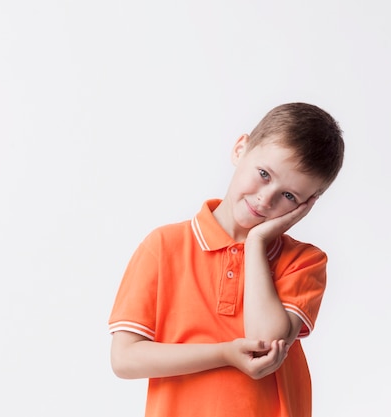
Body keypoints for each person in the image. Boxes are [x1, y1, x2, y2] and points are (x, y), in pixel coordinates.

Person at [108, 102, 344, 417]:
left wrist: (256, 242)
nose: (266, 198)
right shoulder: (164, 246)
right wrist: (224, 354)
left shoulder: (303, 262)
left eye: (289, 196)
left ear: (307, 205)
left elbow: (265, 342)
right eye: (263, 174)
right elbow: (124, 359)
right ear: (240, 149)